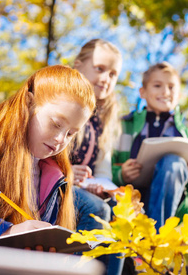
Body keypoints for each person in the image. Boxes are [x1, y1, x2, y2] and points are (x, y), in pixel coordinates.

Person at [0, 65, 95, 249]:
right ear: (29, 102)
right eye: (56, 124)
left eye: (71, 133)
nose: (60, 139)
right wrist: (4, 232)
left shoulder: (56, 176)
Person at [111, 62, 188, 229]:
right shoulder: (123, 127)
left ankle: (155, 241)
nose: (165, 92)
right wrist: (121, 175)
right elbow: (105, 167)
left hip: (170, 211)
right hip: (129, 205)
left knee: (174, 163)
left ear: (178, 95)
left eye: (171, 87)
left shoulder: (187, 136)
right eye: (157, 85)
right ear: (142, 92)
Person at [70, 39, 122, 233]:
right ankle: (83, 264)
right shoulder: (63, 101)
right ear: (78, 66)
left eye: (113, 74)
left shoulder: (104, 117)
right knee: (97, 209)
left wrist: (100, 185)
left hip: (83, 187)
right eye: (99, 69)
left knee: (124, 213)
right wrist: (67, 172)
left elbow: (103, 169)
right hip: (54, 183)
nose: (106, 78)